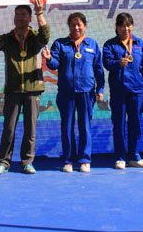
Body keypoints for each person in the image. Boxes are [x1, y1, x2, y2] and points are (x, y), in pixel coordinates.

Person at [0, 0, 49, 175]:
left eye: (23, 15)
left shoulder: (35, 39)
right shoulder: (8, 38)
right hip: (13, 90)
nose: (19, 18)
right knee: (9, 128)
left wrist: (40, 13)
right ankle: (3, 161)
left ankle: (27, 162)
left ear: (30, 18)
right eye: (17, 15)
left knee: (30, 129)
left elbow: (45, 35)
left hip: (33, 90)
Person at [43, 12, 104, 173]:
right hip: (66, 92)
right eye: (73, 24)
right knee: (67, 126)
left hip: (86, 92)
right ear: (69, 26)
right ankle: (68, 160)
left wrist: (100, 89)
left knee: (85, 126)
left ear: (85, 26)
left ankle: (85, 160)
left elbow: (98, 69)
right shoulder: (60, 44)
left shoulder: (92, 44)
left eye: (79, 24)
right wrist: (49, 58)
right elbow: (54, 64)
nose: (76, 27)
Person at [102, 12, 143, 170]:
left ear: (132, 26)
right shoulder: (110, 45)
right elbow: (107, 63)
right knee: (119, 125)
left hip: (136, 90)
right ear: (117, 27)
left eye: (128, 25)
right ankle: (120, 157)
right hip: (119, 91)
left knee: (135, 124)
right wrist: (118, 64)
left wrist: (140, 81)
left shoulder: (139, 44)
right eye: (122, 25)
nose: (126, 28)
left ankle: (134, 156)